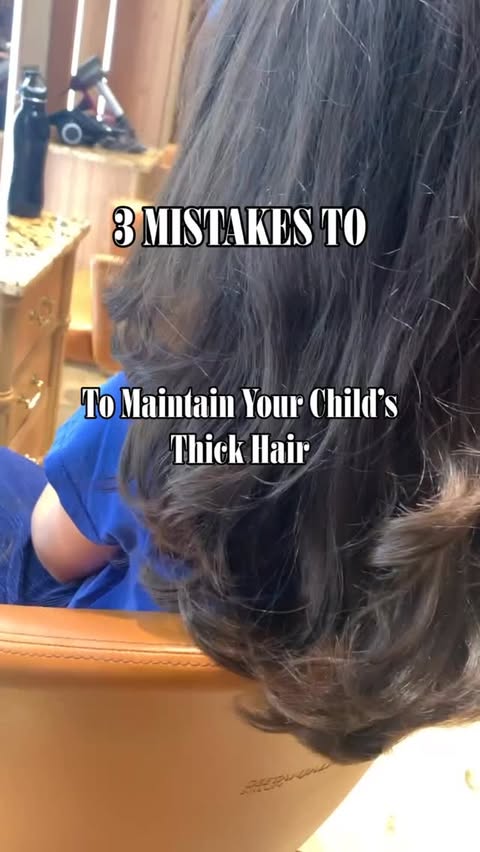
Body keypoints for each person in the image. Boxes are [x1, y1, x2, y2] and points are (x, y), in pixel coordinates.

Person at [2, 0, 480, 765]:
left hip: (82, 745)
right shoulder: (451, 515)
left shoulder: (153, 419)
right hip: (240, 790)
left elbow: (53, 550)